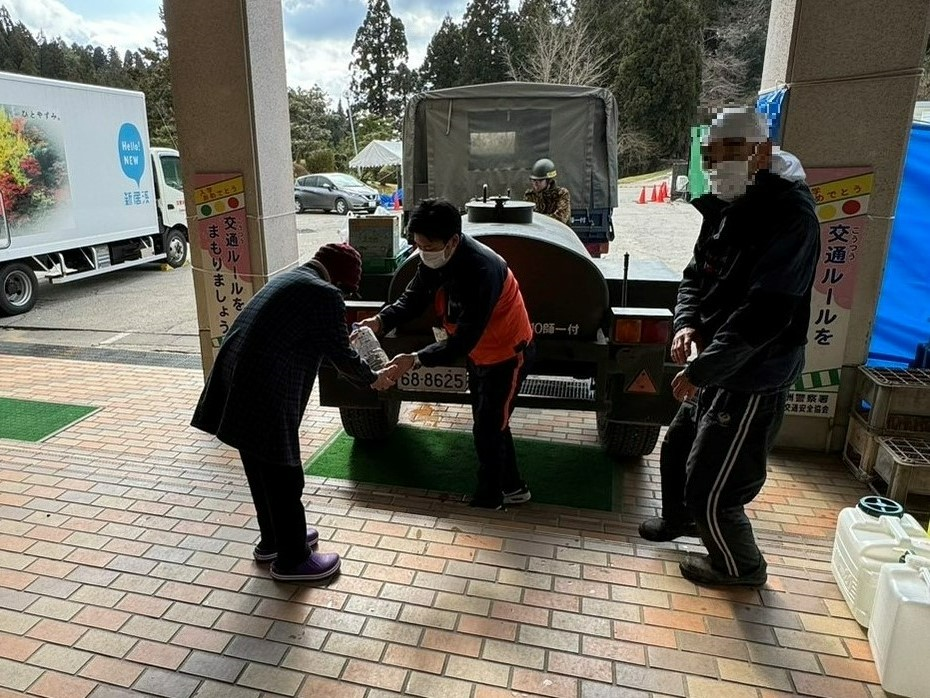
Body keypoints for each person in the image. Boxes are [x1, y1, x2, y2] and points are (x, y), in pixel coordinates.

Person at [637, 106, 820, 588]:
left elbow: (766, 313)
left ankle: (741, 566)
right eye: (712, 157)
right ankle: (680, 522)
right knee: (677, 445)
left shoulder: (790, 214)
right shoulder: (725, 201)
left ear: (761, 152)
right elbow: (697, 274)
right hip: (716, 359)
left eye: (727, 156)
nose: (717, 167)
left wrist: (703, 370)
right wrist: (686, 323)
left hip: (753, 369)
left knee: (714, 487)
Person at [191, 243, 394, 583]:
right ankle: (293, 560)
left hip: (236, 381)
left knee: (259, 467)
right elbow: (341, 354)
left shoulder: (292, 278)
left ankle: (274, 540)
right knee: (284, 475)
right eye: (347, 289)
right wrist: (374, 379)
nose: (344, 295)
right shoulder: (324, 294)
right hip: (264, 388)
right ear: (340, 281)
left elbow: (323, 341)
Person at [357, 198, 535, 510]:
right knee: (489, 422)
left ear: (452, 241)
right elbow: (413, 298)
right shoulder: (436, 258)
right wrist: (381, 320)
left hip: (508, 355)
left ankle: (490, 498)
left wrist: (414, 359)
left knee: (489, 426)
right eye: (417, 245)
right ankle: (513, 486)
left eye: (427, 246)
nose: (422, 252)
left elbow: (461, 342)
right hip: (481, 353)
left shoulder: (483, 270)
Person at [524, 157, 571, 225]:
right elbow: (526, 217)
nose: (535, 184)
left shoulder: (561, 194)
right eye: (533, 180)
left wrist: (537, 219)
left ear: (549, 181)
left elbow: (560, 219)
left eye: (539, 181)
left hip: (557, 233)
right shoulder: (530, 195)